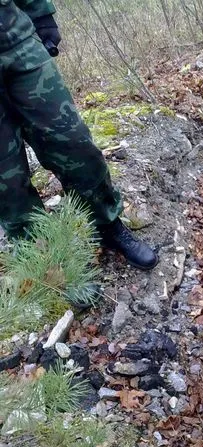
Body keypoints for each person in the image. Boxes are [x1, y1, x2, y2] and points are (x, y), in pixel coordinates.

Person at [0, 0, 158, 271]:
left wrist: (41, 14)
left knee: (74, 144)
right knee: (6, 181)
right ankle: (51, 264)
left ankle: (107, 225)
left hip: (16, 40)